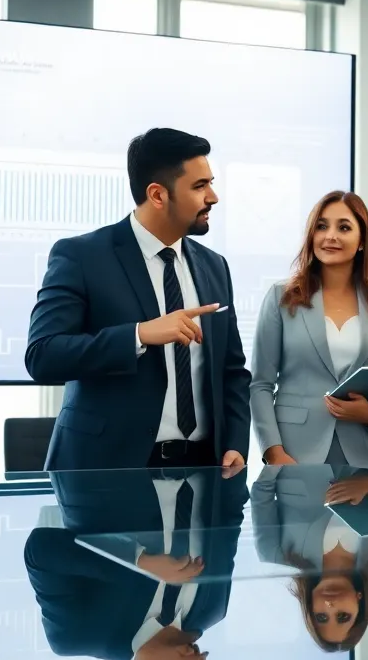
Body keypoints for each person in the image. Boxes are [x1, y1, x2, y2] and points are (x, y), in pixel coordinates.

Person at [26, 128, 250, 472]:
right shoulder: (81, 256)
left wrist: (235, 441)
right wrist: (139, 335)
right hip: (107, 469)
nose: (213, 197)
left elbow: (232, 371)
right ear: (158, 195)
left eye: (210, 183)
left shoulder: (214, 266)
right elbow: (43, 356)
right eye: (199, 186)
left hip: (206, 470)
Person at [25, 467, 248, 660]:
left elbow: (40, 551)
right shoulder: (213, 610)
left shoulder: (74, 636)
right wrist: (233, 446)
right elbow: (228, 517)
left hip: (112, 451)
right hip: (204, 439)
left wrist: (138, 561)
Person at [250, 191, 368, 472]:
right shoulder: (281, 298)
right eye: (321, 226)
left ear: (362, 241)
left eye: (343, 227)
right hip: (294, 456)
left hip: (367, 459)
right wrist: (274, 453)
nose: (330, 235)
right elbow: (260, 384)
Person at [250, 464, 368, 653]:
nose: (330, 606)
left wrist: (277, 453)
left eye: (321, 616)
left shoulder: (274, 555)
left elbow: (261, 492)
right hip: (366, 442)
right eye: (342, 616)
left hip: (296, 443)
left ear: (309, 608)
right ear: (360, 602)